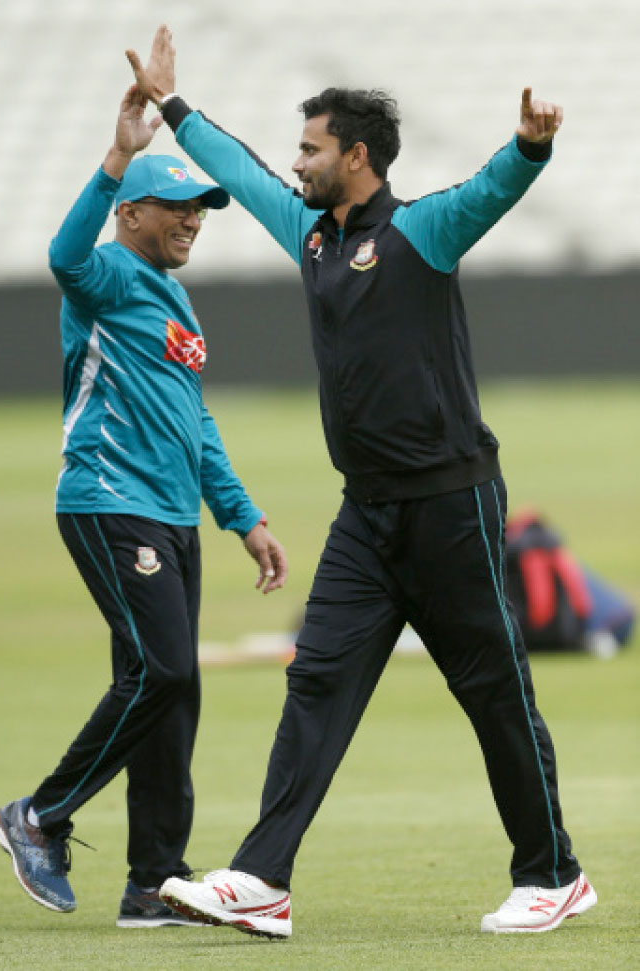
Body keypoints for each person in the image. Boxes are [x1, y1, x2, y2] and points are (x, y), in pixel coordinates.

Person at [124, 26, 597, 938]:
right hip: (366, 511)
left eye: (311, 148)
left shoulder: (420, 230)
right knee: (317, 682)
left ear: (357, 157)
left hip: (451, 504)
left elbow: (491, 190)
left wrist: (531, 145)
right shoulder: (309, 235)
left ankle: (553, 873)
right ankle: (263, 880)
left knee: (495, 692)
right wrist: (173, 105)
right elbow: (241, 164)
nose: (296, 161)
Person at [0, 83, 288, 929]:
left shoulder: (176, 299)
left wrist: (244, 517)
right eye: (178, 206)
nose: (194, 219)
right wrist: (117, 156)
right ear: (130, 214)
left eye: (202, 209)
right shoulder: (105, 272)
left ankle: (153, 882)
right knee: (164, 669)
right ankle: (38, 816)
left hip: (171, 517)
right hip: (107, 502)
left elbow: (195, 420)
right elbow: (61, 254)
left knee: (169, 688)